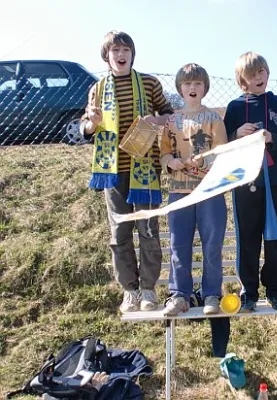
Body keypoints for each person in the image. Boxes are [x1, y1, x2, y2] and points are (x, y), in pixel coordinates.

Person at [80, 31, 174, 313]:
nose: (121, 55)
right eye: (115, 50)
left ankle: (148, 290)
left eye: (126, 50)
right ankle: (130, 291)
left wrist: (152, 120)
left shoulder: (149, 83)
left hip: (145, 168)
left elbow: (169, 115)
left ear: (133, 54)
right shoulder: (97, 88)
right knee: (119, 232)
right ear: (107, 56)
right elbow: (87, 129)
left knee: (147, 229)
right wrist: (92, 123)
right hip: (112, 171)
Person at [224, 51, 277, 313]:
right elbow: (222, 144)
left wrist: (271, 137)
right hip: (245, 182)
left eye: (263, 71)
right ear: (242, 79)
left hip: (275, 180)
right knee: (248, 237)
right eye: (253, 74)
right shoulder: (234, 108)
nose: (259, 77)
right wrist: (236, 134)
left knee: (275, 238)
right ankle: (249, 292)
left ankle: (275, 291)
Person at [160, 63, 228, 316]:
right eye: (188, 83)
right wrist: (171, 162)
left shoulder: (213, 118)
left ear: (205, 88)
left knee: (212, 243)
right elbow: (164, 152)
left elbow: (222, 150)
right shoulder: (172, 120)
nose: (192, 87)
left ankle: (211, 293)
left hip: (210, 190)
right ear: (179, 88)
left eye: (198, 83)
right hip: (179, 190)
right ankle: (179, 294)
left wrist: (206, 159)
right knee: (179, 243)